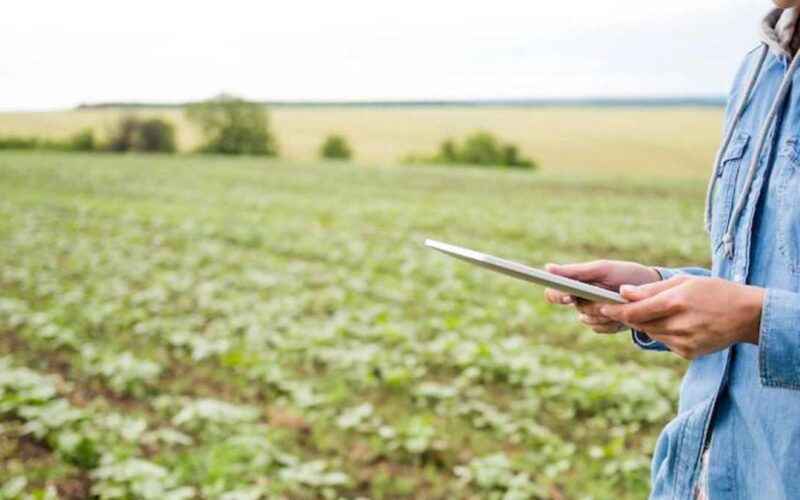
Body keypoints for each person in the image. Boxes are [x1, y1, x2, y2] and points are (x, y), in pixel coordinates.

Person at [545, 3, 800, 499]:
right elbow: (758, 280)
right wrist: (653, 288)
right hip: (709, 476)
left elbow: (757, 309)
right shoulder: (761, 68)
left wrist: (755, 318)